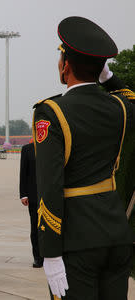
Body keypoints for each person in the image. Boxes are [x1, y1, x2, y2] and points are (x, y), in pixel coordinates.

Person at [33, 16, 134, 299]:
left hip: (76, 241)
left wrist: (50, 254)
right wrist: (109, 77)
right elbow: (131, 97)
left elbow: (50, 187)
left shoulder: (51, 112)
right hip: (115, 234)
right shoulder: (119, 107)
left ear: (65, 66)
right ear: (100, 68)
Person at [19, 140, 43, 268]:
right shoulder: (27, 149)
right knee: (35, 227)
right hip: (33, 196)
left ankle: (51, 256)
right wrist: (23, 194)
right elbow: (23, 172)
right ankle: (38, 257)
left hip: (50, 195)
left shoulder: (51, 145)